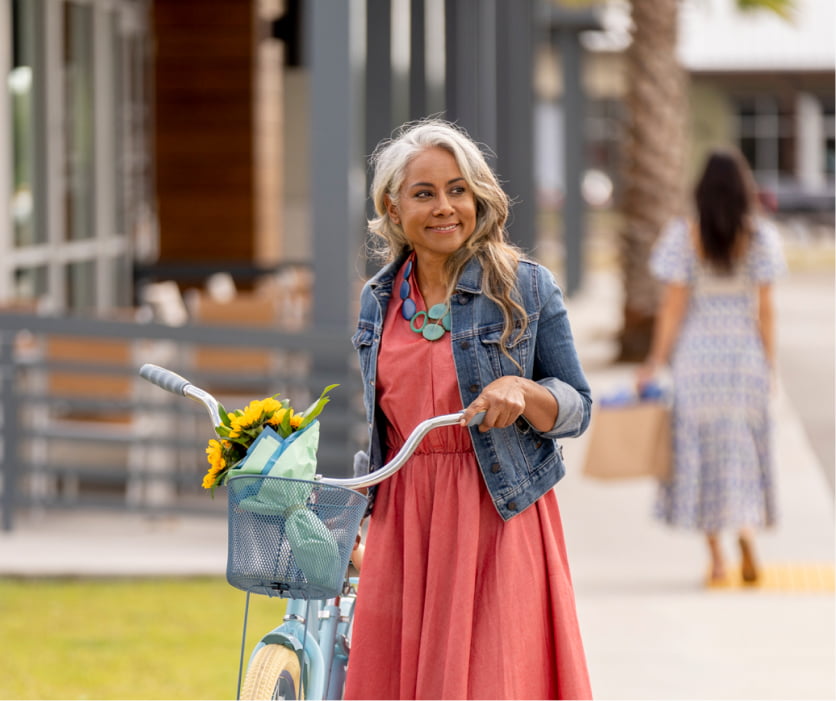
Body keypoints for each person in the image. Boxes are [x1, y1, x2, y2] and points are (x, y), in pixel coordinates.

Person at [344, 118, 593, 700]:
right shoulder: (377, 300)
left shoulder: (526, 287)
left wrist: (526, 392)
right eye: (424, 193)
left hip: (496, 513)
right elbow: (384, 427)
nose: (445, 207)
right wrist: (354, 512)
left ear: (479, 196)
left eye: (458, 189)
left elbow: (578, 407)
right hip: (405, 522)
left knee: (494, 679)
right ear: (392, 206)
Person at [637, 148, 786, 585]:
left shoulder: (686, 236)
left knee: (700, 455)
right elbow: (766, 309)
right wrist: (769, 365)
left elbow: (673, 307)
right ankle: (746, 532)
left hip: (697, 360)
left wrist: (654, 361)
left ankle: (717, 558)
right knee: (740, 451)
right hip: (743, 359)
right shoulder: (759, 238)